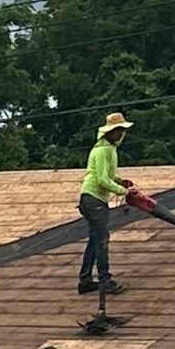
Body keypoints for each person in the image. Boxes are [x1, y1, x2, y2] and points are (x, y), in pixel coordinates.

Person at [77, 111, 132, 296]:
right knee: (102, 240)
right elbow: (101, 179)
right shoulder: (102, 150)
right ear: (109, 131)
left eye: (122, 130)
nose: (120, 133)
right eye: (117, 130)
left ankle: (85, 280)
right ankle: (105, 281)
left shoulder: (109, 148)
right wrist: (123, 191)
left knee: (95, 239)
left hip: (93, 199)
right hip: (94, 198)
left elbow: (108, 175)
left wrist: (119, 181)